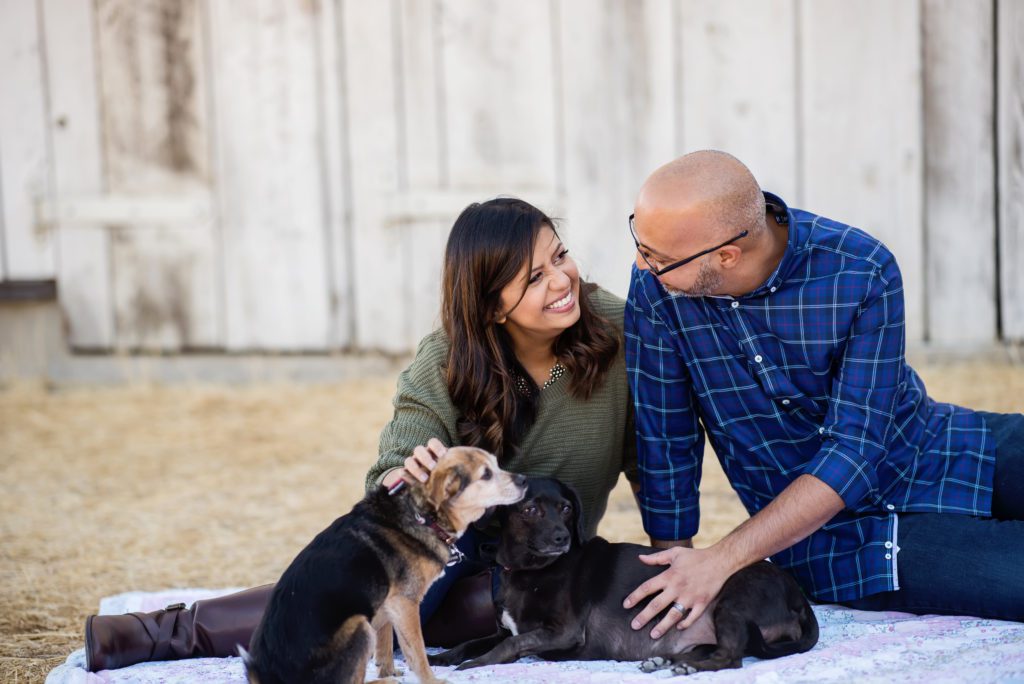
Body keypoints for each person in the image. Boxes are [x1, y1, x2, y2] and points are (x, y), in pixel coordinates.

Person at [84, 197, 637, 671]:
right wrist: (407, 472)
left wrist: (673, 552)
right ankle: (163, 633)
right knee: (383, 588)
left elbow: (657, 454)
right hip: (446, 545)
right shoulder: (447, 359)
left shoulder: (619, 331)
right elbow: (394, 462)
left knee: (465, 613)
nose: (562, 280)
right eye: (534, 278)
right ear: (492, 306)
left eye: (559, 255)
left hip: (547, 560)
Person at [620, 150, 1024, 643]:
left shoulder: (861, 269)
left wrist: (721, 558)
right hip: (842, 544)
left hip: (940, 447)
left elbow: (855, 450)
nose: (642, 264)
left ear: (726, 256)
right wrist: (681, 577)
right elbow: (666, 441)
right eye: (641, 243)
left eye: (657, 257)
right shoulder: (656, 289)